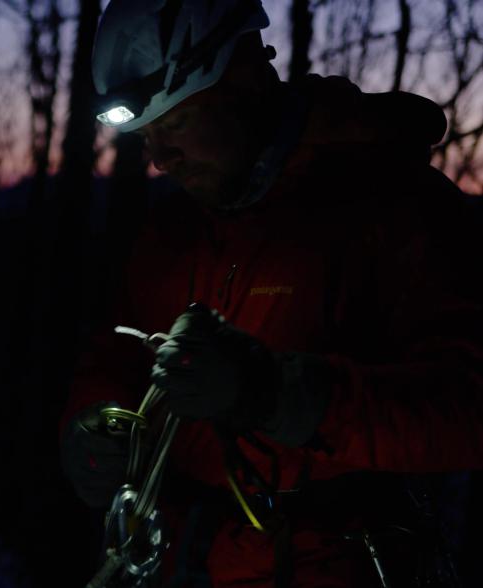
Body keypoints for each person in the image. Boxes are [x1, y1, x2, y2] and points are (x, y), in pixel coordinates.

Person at [59, 0, 483, 586]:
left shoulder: (393, 207)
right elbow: (112, 356)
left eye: (175, 123)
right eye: (146, 135)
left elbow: (470, 405)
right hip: (180, 561)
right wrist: (91, 428)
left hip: (334, 564)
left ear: (243, 75)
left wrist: (281, 394)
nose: (159, 159)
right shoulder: (173, 233)